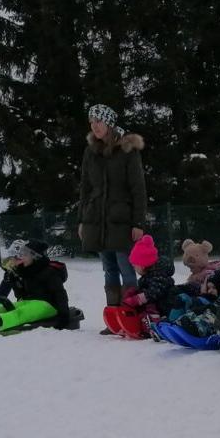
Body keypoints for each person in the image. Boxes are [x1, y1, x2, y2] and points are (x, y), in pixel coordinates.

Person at [78, 103, 147, 312]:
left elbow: (138, 188)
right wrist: (82, 220)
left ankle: (131, 313)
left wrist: (138, 222)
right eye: (91, 122)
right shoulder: (90, 152)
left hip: (122, 219)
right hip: (97, 220)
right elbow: (85, 188)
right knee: (108, 269)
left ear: (108, 122)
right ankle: (114, 313)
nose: (94, 126)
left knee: (126, 267)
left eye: (98, 121)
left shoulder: (127, 149)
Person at [0, 239, 75, 334]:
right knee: (3, 307)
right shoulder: (26, 271)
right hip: (29, 301)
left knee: (22, 313)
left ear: (35, 256)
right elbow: (21, 295)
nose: (21, 258)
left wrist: (64, 316)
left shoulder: (49, 272)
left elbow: (60, 293)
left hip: (48, 305)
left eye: (25, 255)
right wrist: (13, 281)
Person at [123, 233, 177, 329]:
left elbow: (153, 293)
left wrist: (137, 298)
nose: (134, 268)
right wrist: (135, 293)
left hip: (165, 307)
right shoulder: (148, 276)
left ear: (143, 265)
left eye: (135, 265)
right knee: (145, 305)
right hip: (156, 305)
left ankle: (153, 323)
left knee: (149, 305)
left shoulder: (158, 276)